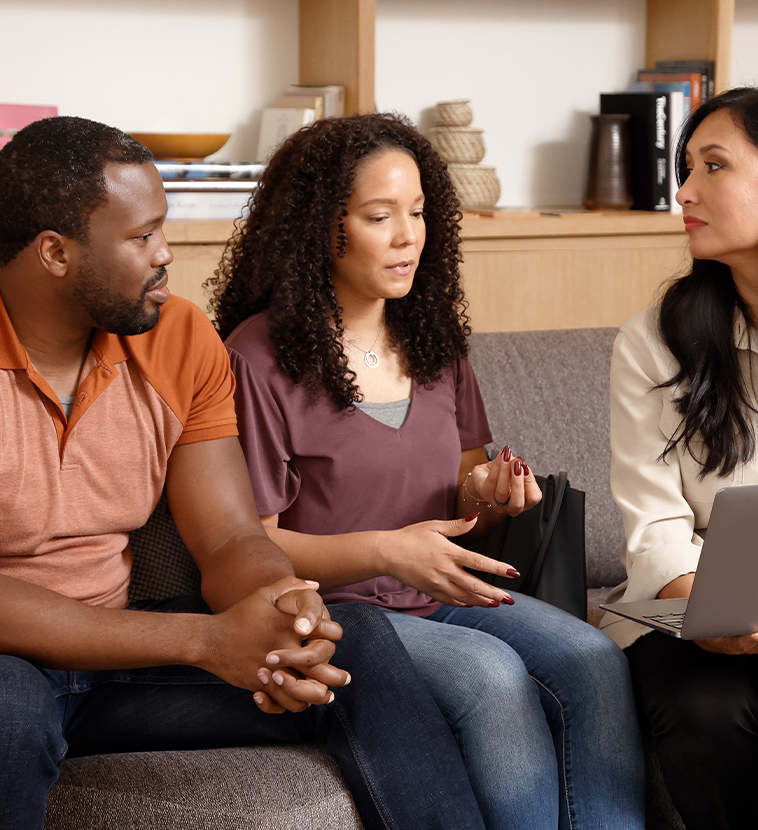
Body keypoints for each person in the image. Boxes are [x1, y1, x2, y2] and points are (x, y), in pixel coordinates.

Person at [0, 115, 492, 830]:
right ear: (55, 253)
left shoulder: (177, 336)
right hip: (15, 667)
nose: (165, 254)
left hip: (121, 665)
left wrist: (282, 611)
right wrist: (206, 641)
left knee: (361, 646)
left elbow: (231, 535)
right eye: (141, 237)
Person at [208, 111, 645, 830]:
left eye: (418, 212)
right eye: (381, 216)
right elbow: (250, 544)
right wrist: (388, 551)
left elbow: (466, 487)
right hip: (345, 614)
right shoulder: (257, 358)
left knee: (592, 656)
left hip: (443, 593)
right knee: (492, 676)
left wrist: (494, 495)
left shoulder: (433, 338)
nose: (409, 234)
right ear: (324, 226)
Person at [599, 85, 758, 830]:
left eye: (713, 166)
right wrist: (715, 613)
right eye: (686, 166)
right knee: (704, 698)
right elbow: (654, 526)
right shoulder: (653, 342)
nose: (685, 191)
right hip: (688, 617)